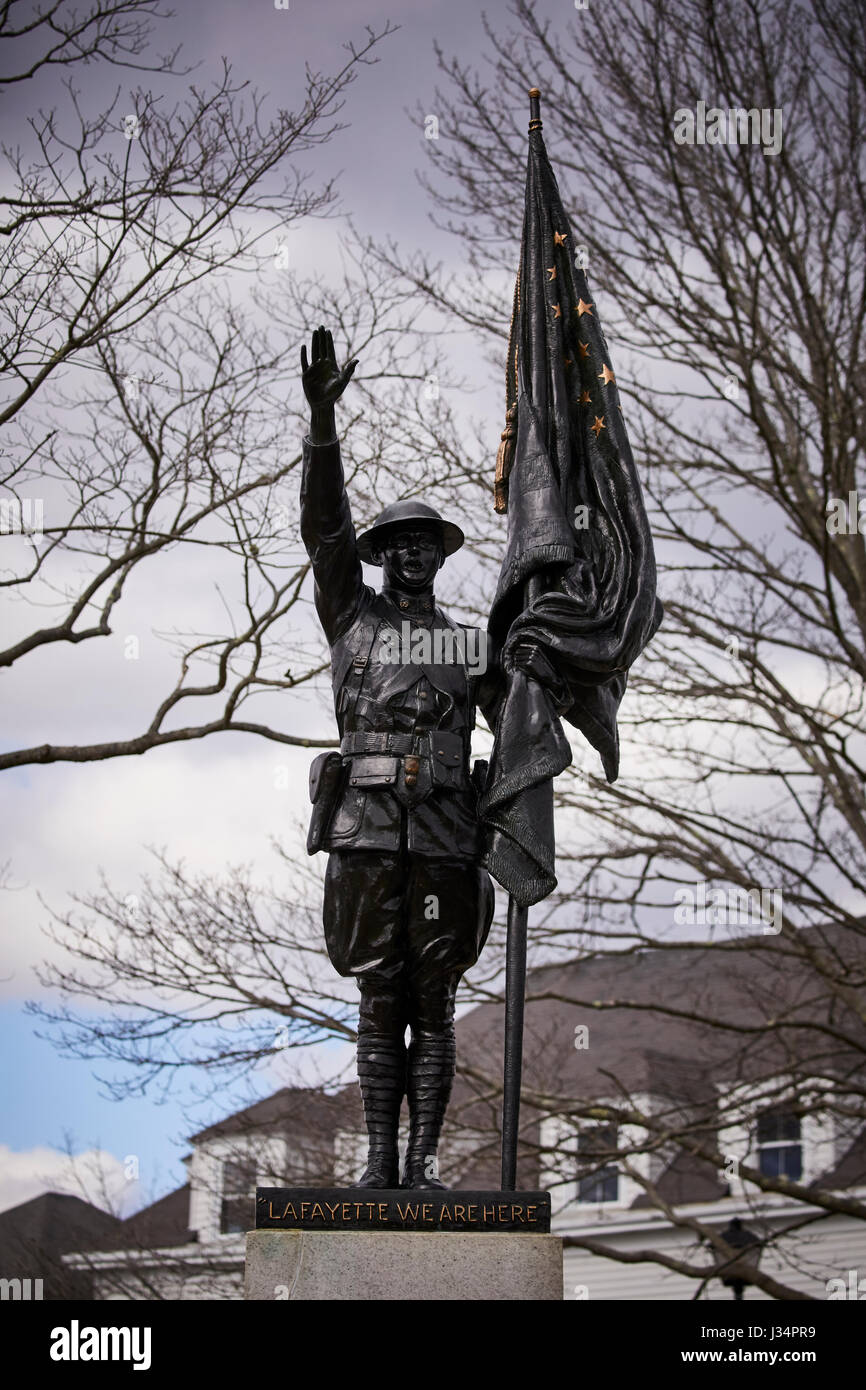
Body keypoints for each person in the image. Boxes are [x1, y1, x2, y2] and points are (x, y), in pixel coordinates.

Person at [300, 326, 547, 1189]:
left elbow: (516, 730)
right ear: (381, 557)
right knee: (378, 998)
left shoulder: (471, 644)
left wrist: (536, 663)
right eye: (397, 544)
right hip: (367, 828)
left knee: (434, 1004)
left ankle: (425, 1163)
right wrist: (322, 427)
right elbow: (323, 531)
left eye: (425, 545)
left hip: (446, 830)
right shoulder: (352, 619)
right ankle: (375, 1162)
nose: (411, 554)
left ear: (441, 557)